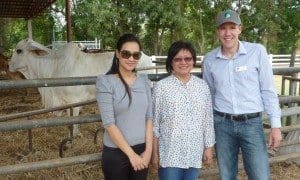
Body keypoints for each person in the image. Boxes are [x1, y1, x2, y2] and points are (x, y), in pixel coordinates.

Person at [202, 10, 282, 180]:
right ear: (217, 31)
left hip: (251, 124)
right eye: (223, 28)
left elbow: (268, 90)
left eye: (232, 27)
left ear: (240, 29)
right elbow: (209, 96)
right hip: (222, 125)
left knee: (260, 175)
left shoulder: (257, 52)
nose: (227, 33)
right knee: (227, 175)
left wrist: (275, 126)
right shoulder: (209, 60)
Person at [151, 41, 215, 180]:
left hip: (194, 152)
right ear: (171, 62)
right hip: (169, 153)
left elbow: (207, 120)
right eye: (178, 59)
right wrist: (154, 154)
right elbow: (155, 124)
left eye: (188, 58)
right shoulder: (161, 87)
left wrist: (208, 147)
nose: (183, 62)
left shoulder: (202, 86)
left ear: (193, 60)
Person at [95, 33, 153, 180]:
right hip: (116, 153)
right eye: (126, 54)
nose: (131, 59)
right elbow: (109, 123)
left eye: (136, 55)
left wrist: (148, 152)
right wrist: (132, 156)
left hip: (142, 150)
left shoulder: (144, 81)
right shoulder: (105, 82)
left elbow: (149, 117)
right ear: (117, 54)